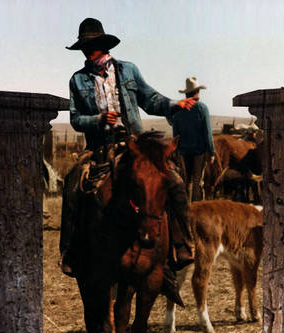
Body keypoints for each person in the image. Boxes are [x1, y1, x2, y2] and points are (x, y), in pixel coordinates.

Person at [60, 17, 195, 305]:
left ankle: (182, 245)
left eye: (91, 46)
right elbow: (74, 119)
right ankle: (71, 251)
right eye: (84, 48)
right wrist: (97, 119)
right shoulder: (78, 80)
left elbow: (150, 99)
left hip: (135, 144)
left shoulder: (128, 70)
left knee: (174, 179)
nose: (88, 52)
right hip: (100, 146)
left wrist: (174, 104)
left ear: (101, 46)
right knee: (73, 181)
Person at [172, 77, 215, 201]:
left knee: (186, 182)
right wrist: (211, 152)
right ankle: (197, 210)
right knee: (197, 182)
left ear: (186, 93)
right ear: (197, 92)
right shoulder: (202, 108)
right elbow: (207, 132)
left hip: (183, 152)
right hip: (199, 152)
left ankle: (186, 208)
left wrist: (177, 151)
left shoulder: (178, 109)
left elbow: (176, 134)